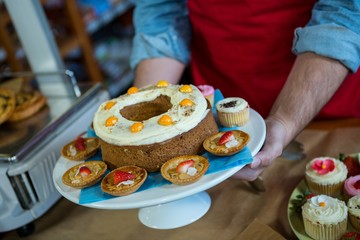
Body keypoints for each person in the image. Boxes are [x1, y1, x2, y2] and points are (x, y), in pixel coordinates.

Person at [129, 0, 360, 182]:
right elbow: (161, 12)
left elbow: (345, 11)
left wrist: (285, 119)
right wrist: (146, 125)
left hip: (321, 99)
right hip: (219, 106)